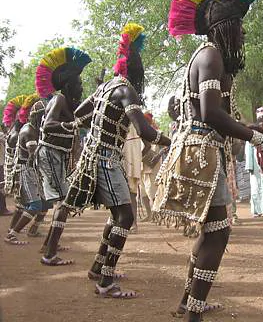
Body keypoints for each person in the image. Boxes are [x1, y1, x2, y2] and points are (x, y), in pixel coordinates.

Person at [153, 0, 263, 321]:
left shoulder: (211, 57)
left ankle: (190, 302)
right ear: (226, 26)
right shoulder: (210, 56)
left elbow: (216, 113)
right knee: (218, 234)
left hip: (205, 150)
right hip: (200, 152)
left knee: (213, 231)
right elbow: (209, 114)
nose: (244, 32)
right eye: (240, 24)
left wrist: (246, 126)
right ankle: (193, 311)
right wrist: (255, 137)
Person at [41, 24, 170, 300]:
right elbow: (146, 131)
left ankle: (99, 268)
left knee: (117, 215)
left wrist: (99, 120)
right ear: (135, 68)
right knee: (125, 216)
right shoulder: (126, 91)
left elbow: (78, 113)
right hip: (106, 160)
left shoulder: (105, 88)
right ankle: (106, 280)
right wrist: (171, 140)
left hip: (94, 157)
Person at [35, 47, 92, 254]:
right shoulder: (58, 100)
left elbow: (84, 122)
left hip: (57, 156)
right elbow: (49, 125)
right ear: (68, 86)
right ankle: (50, 254)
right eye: (78, 84)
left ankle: (48, 245)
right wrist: (70, 126)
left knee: (63, 202)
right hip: (49, 153)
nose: (81, 88)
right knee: (64, 202)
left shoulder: (70, 105)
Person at [4, 97, 47, 245]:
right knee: (36, 205)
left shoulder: (32, 129)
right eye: (43, 117)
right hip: (26, 171)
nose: (45, 120)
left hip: (27, 170)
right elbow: (34, 155)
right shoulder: (29, 131)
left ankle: (13, 231)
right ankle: (12, 235)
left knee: (24, 205)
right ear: (36, 117)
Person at [3, 96, 30, 233]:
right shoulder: (17, 134)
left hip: (19, 173)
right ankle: (11, 231)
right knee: (22, 204)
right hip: (18, 174)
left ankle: (13, 229)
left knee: (23, 204)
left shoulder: (15, 132)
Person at [139, 111, 164, 222]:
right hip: (141, 166)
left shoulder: (158, 133)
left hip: (152, 167)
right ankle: (149, 214)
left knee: (152, 192)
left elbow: (166, 145)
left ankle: (156, 214)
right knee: (143, 192)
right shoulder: (140, 133)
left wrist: (158, 154)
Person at [245, 108, 263, 217]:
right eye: (261, 118)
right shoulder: (252, 133)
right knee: (255, 188)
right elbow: (248, 150)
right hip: (254, 165)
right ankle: (256, 210)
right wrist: (249, 166)